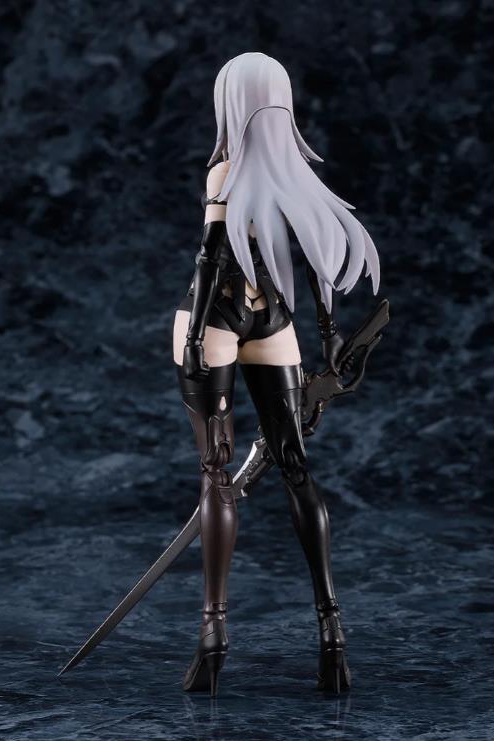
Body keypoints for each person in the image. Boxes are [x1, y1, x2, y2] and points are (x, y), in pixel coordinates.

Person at [172, 52, 380, 696]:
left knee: (216, 474)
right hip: (275, 321)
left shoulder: (226, 169)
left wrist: (194, 343)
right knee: (296, 468)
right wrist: (329, 335)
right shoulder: (295, 173)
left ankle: (213, 634)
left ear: (229, 103)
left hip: (217, 315)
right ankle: (332, 633)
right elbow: (317, 264)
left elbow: (211, 257)